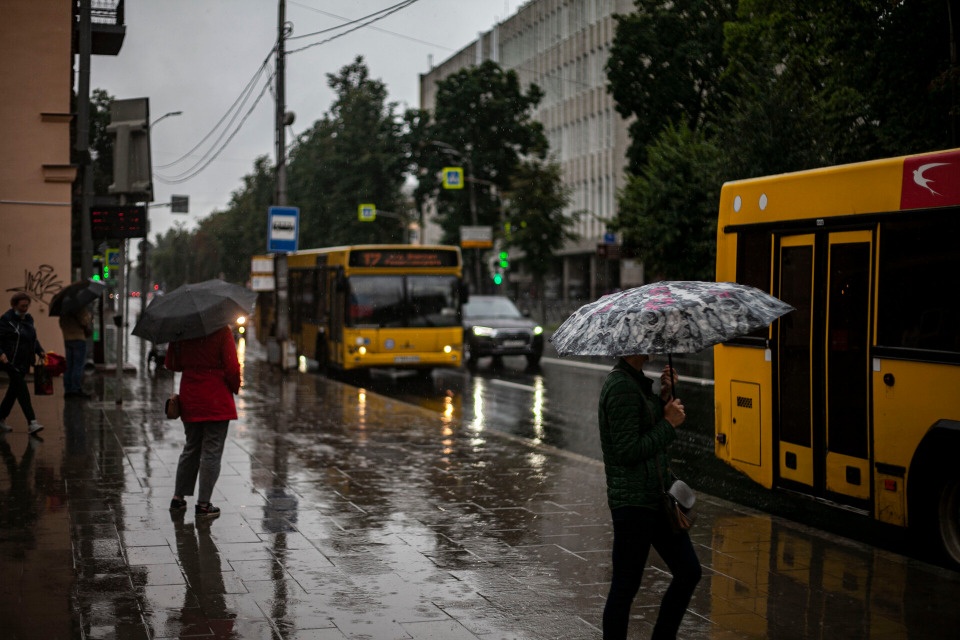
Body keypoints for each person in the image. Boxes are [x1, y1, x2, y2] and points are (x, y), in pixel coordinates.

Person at [598, 354, 701, 640]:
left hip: (656, 497)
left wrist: (664, 397)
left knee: (689, 571)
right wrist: (668, 424)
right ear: (632, 346)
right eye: (646, 339)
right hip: (633, 504)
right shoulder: (621, 387)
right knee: (625, 587)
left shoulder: (635, 383)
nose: (651, 343)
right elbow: (627, 451)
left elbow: (644, 423)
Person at [166, 325, 240, 519]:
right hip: (216, 398)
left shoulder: (181, 330)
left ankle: (178, 498)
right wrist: (234, 387)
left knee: (191, 447)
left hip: (191, 397)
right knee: (212, 451)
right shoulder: (222, 330)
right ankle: (204, 505)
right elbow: (232, 366)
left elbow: (172, 364)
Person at [0, 293, 46, 435]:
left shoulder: (28, 319)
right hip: (10, 361)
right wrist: (0, 353)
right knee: (22, 389)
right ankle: (32, 422)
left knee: (13, 391)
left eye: (27, 306)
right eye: (22, 306)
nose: (25, 308)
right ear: (14, 305)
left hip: (25, 360)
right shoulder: (6, 320)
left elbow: (32, 338)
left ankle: (0, 418)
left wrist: (40, 351)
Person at [59, 304, 93, 398]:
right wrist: (89, 316)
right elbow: (84, 322)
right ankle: (75, 389)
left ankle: (68, 390)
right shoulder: (79, 308)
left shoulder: (63, 310)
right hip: (79, 339)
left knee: (69, 366)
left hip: (67, 339)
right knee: (78, 365)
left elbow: (61, 323)